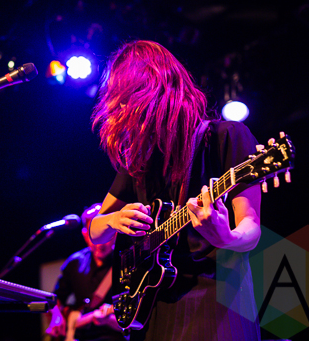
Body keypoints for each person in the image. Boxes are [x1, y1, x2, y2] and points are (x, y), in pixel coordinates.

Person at [88, 40, 262, 341]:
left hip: (217, 297)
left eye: (127, 99)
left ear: (154, 91)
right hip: (154, 304)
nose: (122, 110)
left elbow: (252, 229)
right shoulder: (138, 160)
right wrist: (113, 220)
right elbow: (95, 230)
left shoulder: (225, 137)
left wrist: (228, 237)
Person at [46, 203, 127, 341]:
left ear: (115, 233)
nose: (101, 243)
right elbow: (55, 299)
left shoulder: (125, 262)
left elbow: (134, 323)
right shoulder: (75, 262)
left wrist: (109, 320)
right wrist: (56, 316)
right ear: (85, 235)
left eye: (106, 235)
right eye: (95, 236)